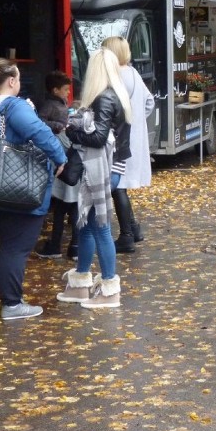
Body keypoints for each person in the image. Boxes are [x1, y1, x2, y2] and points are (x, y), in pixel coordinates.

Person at [0, 59, 66, 320]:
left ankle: (12, 300)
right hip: (18, 189)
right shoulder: (13, 107)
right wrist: (60, 157)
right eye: (18, 79)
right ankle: (11, 304)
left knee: (9, 244)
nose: (19, 83)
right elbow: (39, 132)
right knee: (16, 247)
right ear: (11, 81)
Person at [58, 48, 131, 309]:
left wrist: (73, 132)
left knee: (99, 226)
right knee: (87, 225)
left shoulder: (103, 98)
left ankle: (109, 289)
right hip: (111, 168)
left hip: (100, 170)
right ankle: (81, 284)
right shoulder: (118, 95)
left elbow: (98, 138)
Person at [102, 36, 155, 253]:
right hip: (134, 137)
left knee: (118, 186)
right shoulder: (134, 73)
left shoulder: (113, 76)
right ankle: (133, 228)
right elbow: (150, 101)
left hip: (118, 138)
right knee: (121, 185)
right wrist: (136, 119)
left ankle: (126, 235)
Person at [36, 70, 79, 260]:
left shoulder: (59, 104)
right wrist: (57, 126)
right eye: (65, 89)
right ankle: (74, 246)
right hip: (62, 155)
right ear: (55, 90)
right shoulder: (49, 105)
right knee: (70, 203)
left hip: (64, 155)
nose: (68, 93)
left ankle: (57, 244)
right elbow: (40, 121)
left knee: (63, 204)